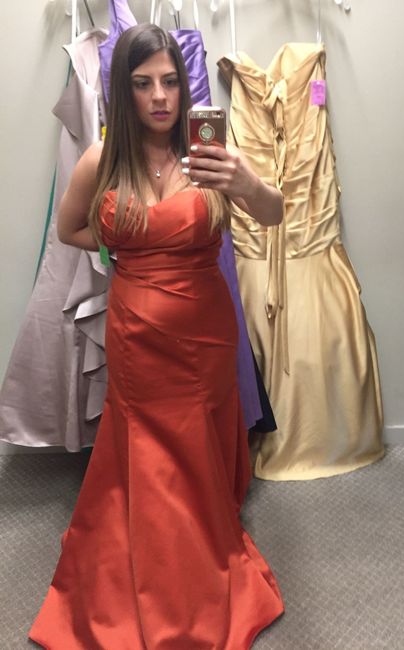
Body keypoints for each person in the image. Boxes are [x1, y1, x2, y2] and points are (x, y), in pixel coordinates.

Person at [29, 23, 284, 649]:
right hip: (136, 335)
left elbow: (273, 212)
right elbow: (69, 229)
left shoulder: (209, 155)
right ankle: (155, 569)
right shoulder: (102, 159)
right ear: (124, 90)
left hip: (204, 333)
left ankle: (200, 553)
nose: (161, 97)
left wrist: (244, 182)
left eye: (170, 81)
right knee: (146, 450)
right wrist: (130, 251)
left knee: (197, 440)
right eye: (143, 84)